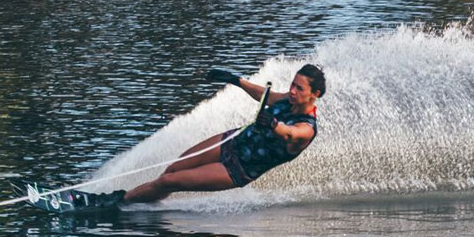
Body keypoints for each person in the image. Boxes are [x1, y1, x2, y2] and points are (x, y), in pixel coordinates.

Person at [101, 63, 325, 206]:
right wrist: (235, 80)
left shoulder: (307, 128)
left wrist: (273, 123)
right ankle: (143, 201)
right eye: (292, 85)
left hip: (236, 169)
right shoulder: (289, 98)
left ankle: (117, 201)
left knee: (169, 181)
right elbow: (266, 95)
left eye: (300, 89)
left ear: (315, 94)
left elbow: (289, 134)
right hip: (230, 142)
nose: (293, 91)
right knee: (173, 170)